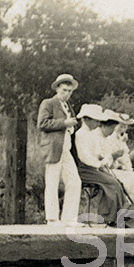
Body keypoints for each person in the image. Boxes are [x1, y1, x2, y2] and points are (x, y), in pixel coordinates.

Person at [74, 105, 134, 227]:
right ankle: (113, 217)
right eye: (96, 120)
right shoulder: (80, 134)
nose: (98, 123)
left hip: (95, 167)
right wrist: (100, 164)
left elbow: (96, 153)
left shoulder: (91, 134)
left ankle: (123, 216)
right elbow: (84, 157)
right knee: (112, 183)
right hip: (85, 169)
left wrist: (102, 158)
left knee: (117, 182)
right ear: (87, 119)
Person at [37, 74, 82, 225]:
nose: (67, 94)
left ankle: (69, 218)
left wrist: (71, 125)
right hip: (53, 148)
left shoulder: (68, 106)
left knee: (75, 182)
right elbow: (42, 123)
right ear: (57, 88)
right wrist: (65, 122)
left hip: (66, 149)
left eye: (70, 91)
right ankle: (52, 218)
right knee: (52, 182)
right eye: (64, 90)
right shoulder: (48, 103)